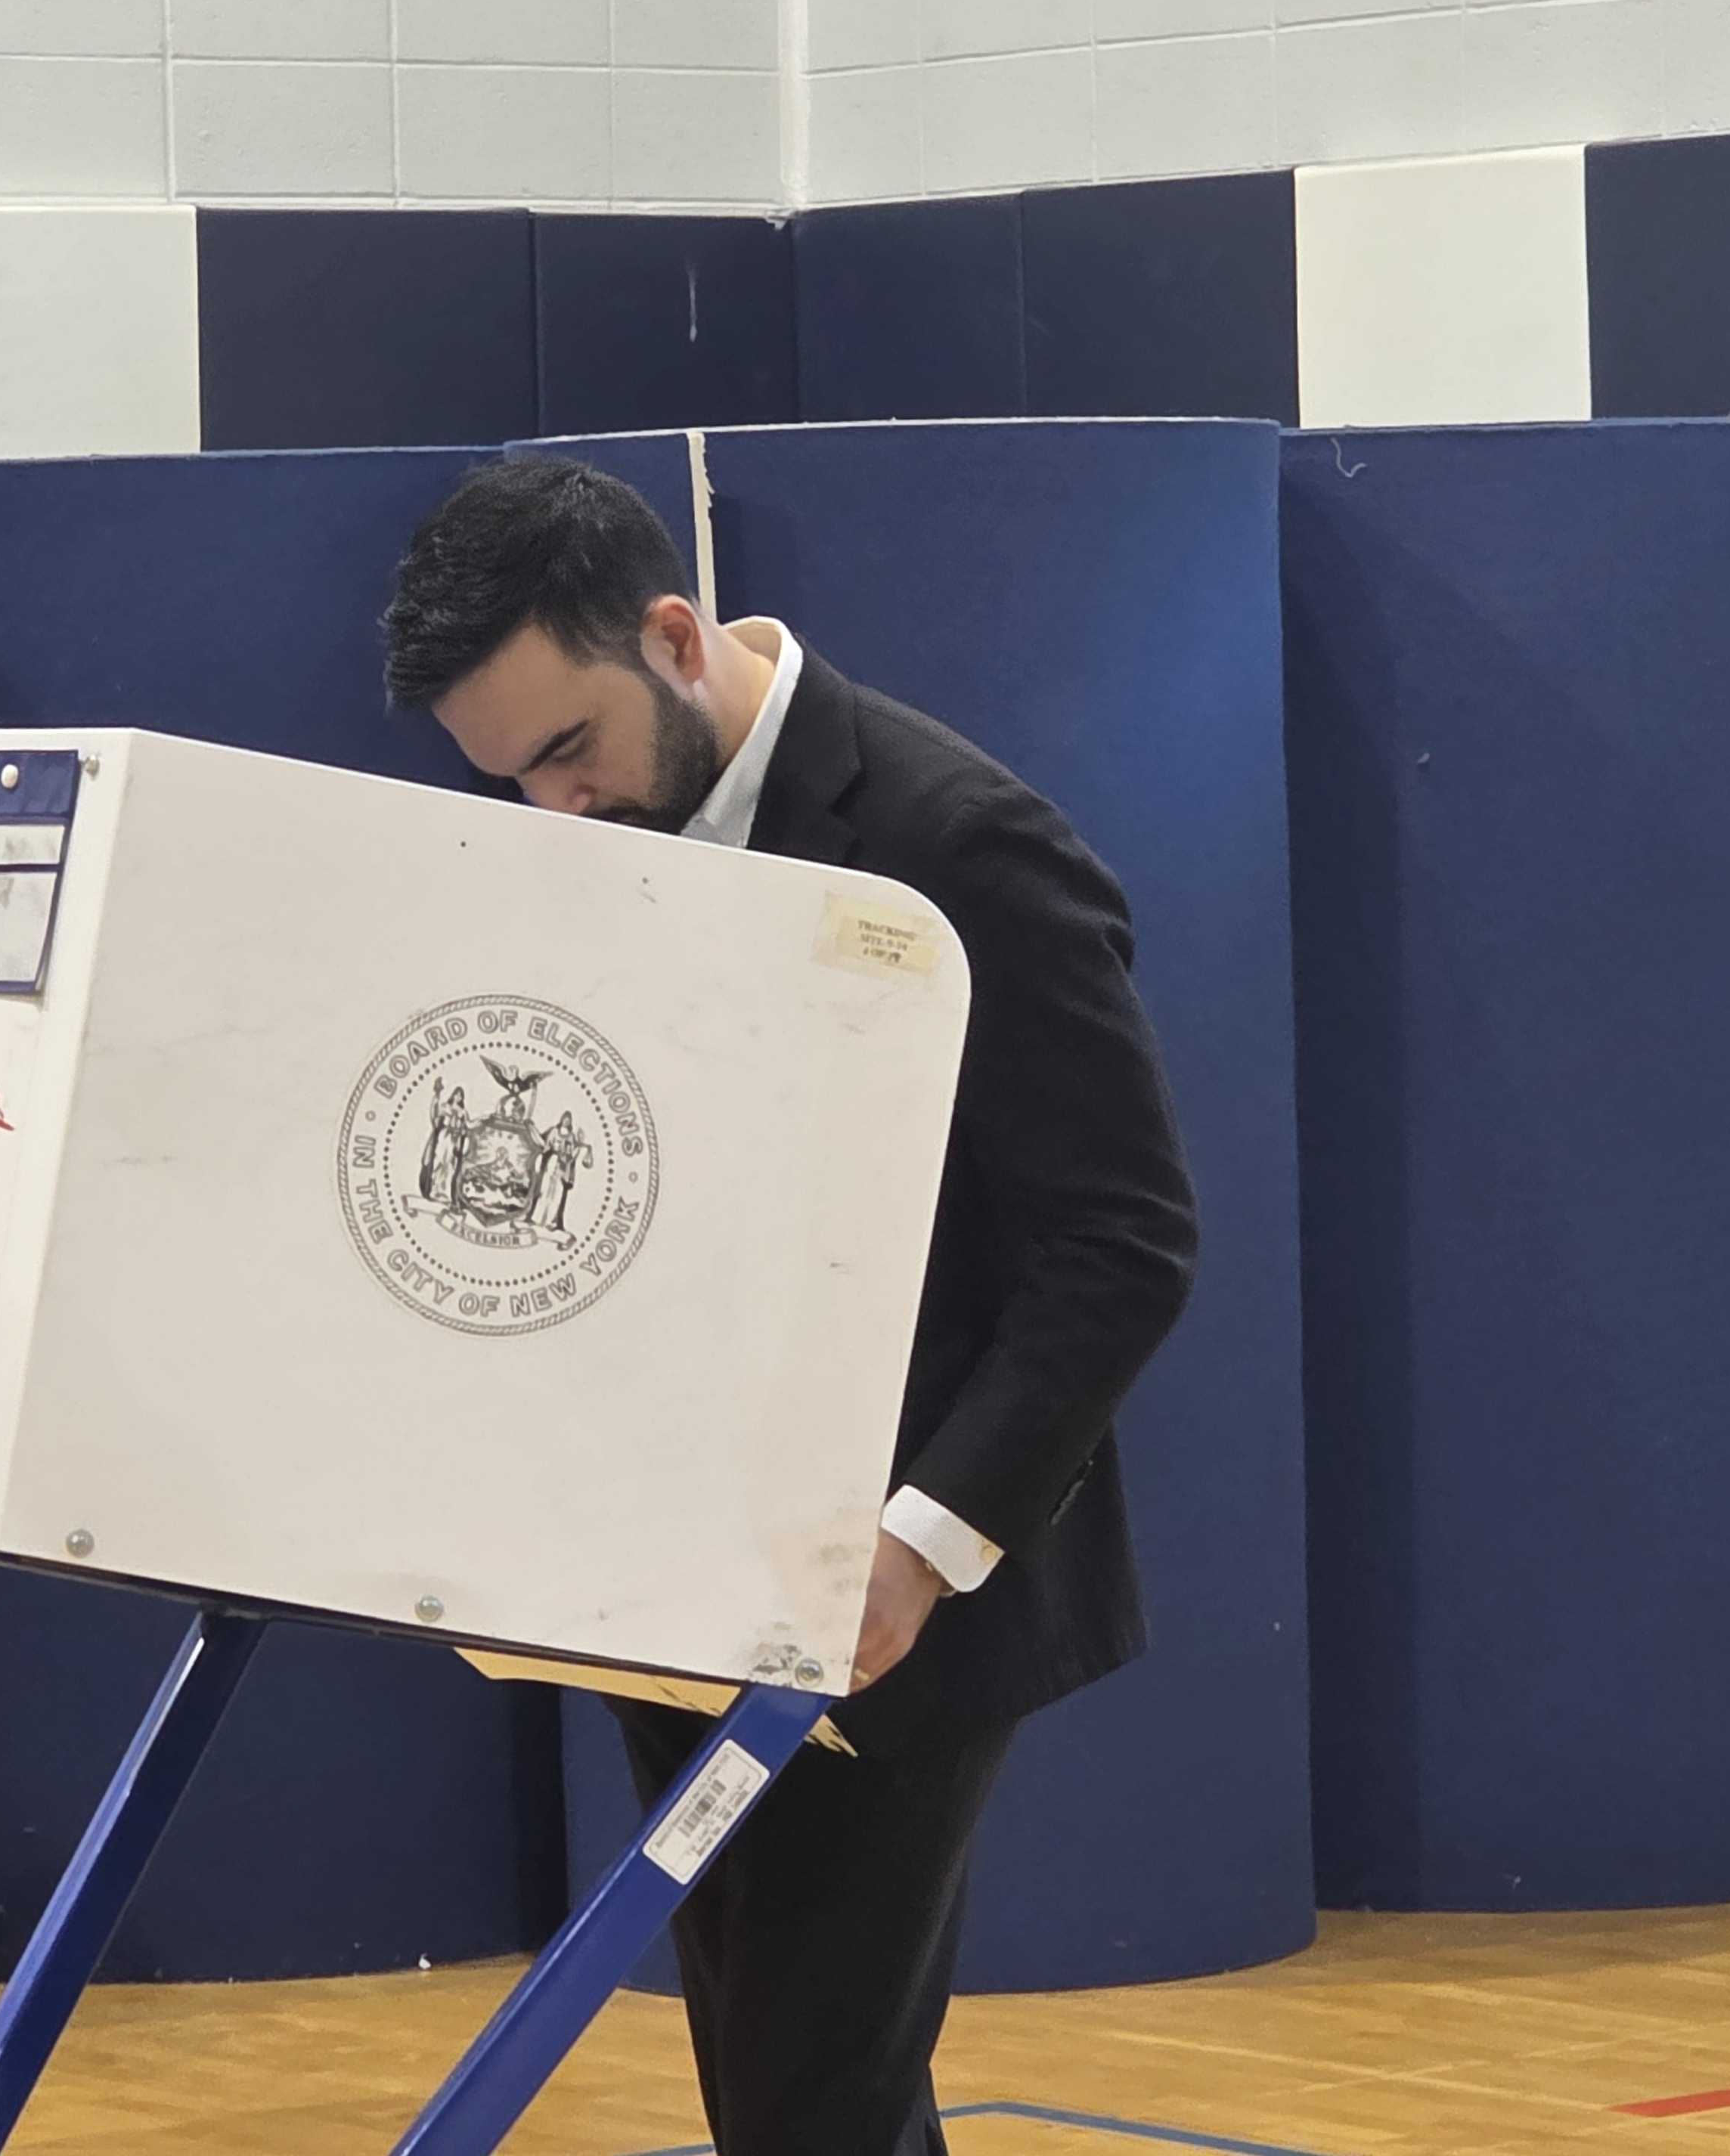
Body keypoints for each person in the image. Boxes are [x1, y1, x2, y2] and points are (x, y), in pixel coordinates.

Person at [383, 457, 1199, 2154]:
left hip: (892, 1600)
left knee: (802, 2098)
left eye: (565, 752)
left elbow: (1120, 1242)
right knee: (794, 2088)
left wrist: (911, 1551)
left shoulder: (954, 843)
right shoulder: (599, 840)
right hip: (671, 1579)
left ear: (672, 636)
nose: (554, 813)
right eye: (505, 781)